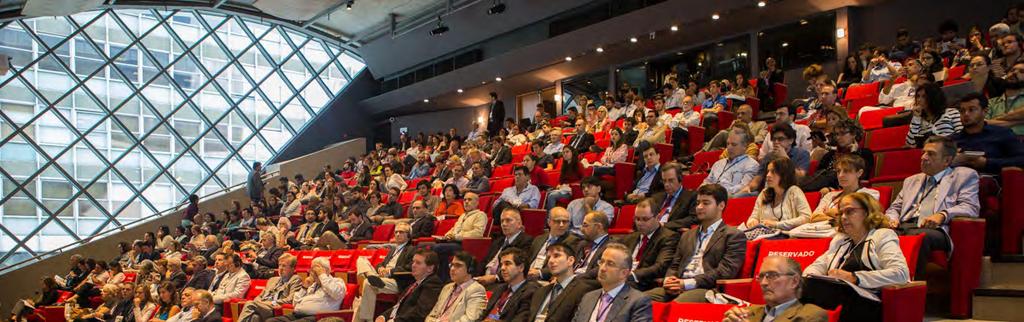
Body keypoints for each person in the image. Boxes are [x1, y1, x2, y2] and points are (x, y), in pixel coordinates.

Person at [803, 193, 910, 321]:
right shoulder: (840, 240)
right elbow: (817, 265)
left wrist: (854, 278)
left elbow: (901, 274)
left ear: (867, 212)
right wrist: (808, 278)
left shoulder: (883, 235)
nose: (843, 217)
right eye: (840, 213)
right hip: (840, 297)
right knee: (803, 284)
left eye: (849, 211)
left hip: (867, 303)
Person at [885, 136, 980, 276]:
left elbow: (970, 207)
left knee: (918, 236)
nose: (923, 157)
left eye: (931, 154)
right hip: (905, 225)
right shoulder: (911, 180)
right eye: (923, 152)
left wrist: (942, 215)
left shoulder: (964, 176)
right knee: (880, 233)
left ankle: (909, 286)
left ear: (947, 160)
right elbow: (895, 208)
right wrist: (891, 218)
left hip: (935, 229)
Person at [646, 184, 746, 303]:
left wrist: (687, 283)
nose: (699, 207)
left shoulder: (734, 235)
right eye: (698, 203)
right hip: (678, 286)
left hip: (706, 289)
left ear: (721, 205)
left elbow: (725, 271)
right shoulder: (687, 235)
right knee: (638, 301)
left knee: (676, 306)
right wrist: (670, 280)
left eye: (706, 203)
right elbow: (675, 265)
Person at [722, 256, 828, 322]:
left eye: (772, 276)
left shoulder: (811, 315)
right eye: (761, 276)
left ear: (794, 281)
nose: (763, 283)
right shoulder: (748, 311)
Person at [571, 243, 654, 322]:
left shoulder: (638, 301)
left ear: (624, 273)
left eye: (610, 264)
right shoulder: (588, 297)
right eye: (602, 262)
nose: (602, 268)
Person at [353, 223, 416, 322]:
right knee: (361, 259)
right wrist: (380, 268)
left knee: (368, 283)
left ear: (409, 235)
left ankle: (365, 320)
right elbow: (380, 264)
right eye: (396, 232)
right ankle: (371, 276)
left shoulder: (412, 250)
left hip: (395, 280)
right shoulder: (393, 249)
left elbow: (410, 267)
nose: (398, 234)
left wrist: (390, 271)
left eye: (401, 232)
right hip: (382, 277)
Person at [526, 242, 601, 322]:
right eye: (548, 258)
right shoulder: (540, 292)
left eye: (556, 256)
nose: (551, 261)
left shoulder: (583, 290)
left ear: (570, 260)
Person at [952, 93, 1024, 175]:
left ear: (984, 111)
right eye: (962, 111)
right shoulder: (952, 140)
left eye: (971, 110)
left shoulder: (1002, 134)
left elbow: (1021, 160)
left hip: (994, 182)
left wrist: (987, 163)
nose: (966, 114)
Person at [801, 118, 874, 192]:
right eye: (836, 134)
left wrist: (853, 153)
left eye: (842, 133)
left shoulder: (864, 153)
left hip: (843, 189)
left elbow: (862, 176)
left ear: (854, 134)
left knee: (833, 174)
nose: (838, 137)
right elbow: (817, 176)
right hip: (821, 188)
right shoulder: (829, 155)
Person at [622, 199, 679, 291]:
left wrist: (633, 275)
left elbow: (660, 267)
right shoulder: (630, 238)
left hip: (644, 282)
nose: (640, 223)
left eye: (645, 219)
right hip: (622, 278)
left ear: (657, 217)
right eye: (637, 219)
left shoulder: (669, 237)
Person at [373, 249, 444, 322]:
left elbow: (420, 313)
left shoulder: (432, 283)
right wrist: (383, 316)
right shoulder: (415, 283)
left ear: (430, 268)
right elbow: (398, 306)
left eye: (418, 263)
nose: (413, 265)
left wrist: (395, 321)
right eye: (413, 262)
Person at [808, 155, 881, 224]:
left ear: (859, 173)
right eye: (838, 171)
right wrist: (835, 219)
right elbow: (814, 218)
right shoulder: (829, 195)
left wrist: (829, 212)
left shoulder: (869, 194)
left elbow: (859, 218)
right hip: (822, 232)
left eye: (846, 171)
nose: (840, 175)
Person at [744, 159, 812, 231]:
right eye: (768, 171)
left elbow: (806, 218)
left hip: (786, 237)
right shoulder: (764, 193)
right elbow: (753, 216)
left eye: (773, 172)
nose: (768, 175)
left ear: (784, 174)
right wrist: (752, 222)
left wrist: (777, 224)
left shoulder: (794, 191)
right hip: (763, 234)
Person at [476, 208, 534, 284]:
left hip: (501, 282)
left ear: (519, 224)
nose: (504, 224)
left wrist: (496, 277)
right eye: (502, 221)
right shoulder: (498, 241)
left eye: (508, 220)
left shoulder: (526, 241)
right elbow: (485, 261)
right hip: (484, 279)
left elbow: (517, 267)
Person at [237, 254, 302, 322]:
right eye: (279, 265)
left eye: (284, 266)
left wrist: (270, 303)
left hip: (274, 308)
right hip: (263, 307)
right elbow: (260, 296)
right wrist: (259, 302)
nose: (281, 268)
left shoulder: (295, 279)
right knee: (255, 317)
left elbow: (290, 299)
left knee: (250, 303)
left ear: (293, 268)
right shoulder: (272, 280)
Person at [480, 248, 539, 322]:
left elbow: (521, 320)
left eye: (507, 264)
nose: (502, 268)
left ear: (521, 267)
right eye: (501, 264)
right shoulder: (500, 288)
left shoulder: (530, 291)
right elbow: (483, 315)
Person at [424, 252, 487, 322]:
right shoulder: (447, 287)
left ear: (470, 269)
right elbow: (432, 314)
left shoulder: (476, 290)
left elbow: (470, 319)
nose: (452, 269)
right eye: (452, 265)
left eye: (458, 265)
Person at [526, 207, 581, 280]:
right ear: (549, 222)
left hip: (544, 279)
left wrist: (540, 273)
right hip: (527, 275)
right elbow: (528, 259)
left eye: (565, 221)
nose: (561, 225)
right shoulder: (539, 239)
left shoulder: (572, 241)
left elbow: (563, 266)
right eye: (557, 221)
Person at [703, 129, 760, 196]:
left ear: (744, 146)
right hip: (707, 197)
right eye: (728, 144)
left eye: (734, 144)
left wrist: (716, 193)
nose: (729, 148)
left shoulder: (752, 165)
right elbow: (707, 181)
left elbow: (743, 187)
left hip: (727, 199)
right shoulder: (718, 164)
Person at [906, 83, 962, 147]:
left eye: (924, 96)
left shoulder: (951, 112)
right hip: (928, 154)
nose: (919, 100)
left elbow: (961, 136)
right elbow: (910, 144)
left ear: (934, 97)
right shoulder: (918, 120)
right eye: (918, 96)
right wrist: (916, 118)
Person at [650, 163, 699, 232]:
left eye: (670, 180)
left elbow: (693, 218)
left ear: (680, 179)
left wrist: (665, 225)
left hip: (670, 233)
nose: (666, 184)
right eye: (664, 181)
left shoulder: (691, 196)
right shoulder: (656, 197)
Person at [574, 211, 613, 279]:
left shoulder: (611, 247)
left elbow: (600, 269)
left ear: (598, 227)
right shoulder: (582, 243)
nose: (582, 229)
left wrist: (574, 278)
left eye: (585, 225)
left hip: (589, 281)